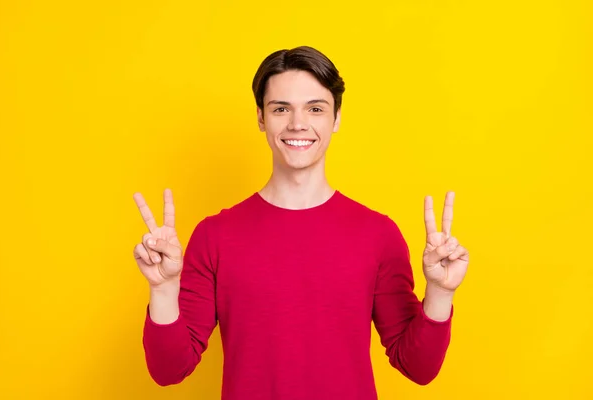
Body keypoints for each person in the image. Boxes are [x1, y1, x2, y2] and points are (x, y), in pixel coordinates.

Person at [132, 45, 469, 400]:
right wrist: (163, 289)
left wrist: (441, 292)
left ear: (336, 118)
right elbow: (169, 371)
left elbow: (418, 367)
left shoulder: (378, 235)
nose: (298, 124)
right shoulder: (215, 236)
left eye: (315, 108)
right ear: (261, 117)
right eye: (281, 109)